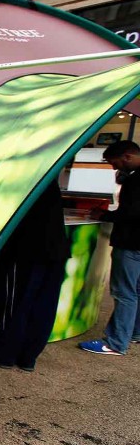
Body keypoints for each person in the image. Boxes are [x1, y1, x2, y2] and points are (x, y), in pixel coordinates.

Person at [0, 182, 69, 370]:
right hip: (55, 250)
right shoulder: (50, 173)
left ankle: (2, 354)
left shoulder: (27, 174)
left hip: (26, 251)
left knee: (15, 305)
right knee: (43, 307)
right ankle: (28, 358)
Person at [81, 140, 140, 355]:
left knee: (124, 293)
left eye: (114, 163)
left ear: (127, 157)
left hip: (131, 242)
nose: (114, 168)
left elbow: (132, 213)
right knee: (135, 291)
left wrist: (104, 215)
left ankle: (115, 343)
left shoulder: (136, 181)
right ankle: (134, 332)